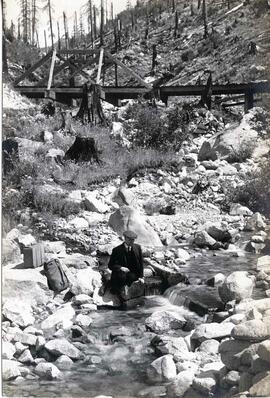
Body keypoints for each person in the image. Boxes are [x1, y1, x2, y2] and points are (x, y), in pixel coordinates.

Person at [108, 230, 144, 296]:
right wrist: (121, 268)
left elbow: (141, 263)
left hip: (132, 274)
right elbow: (110, 265)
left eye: (133, 240)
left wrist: (141, 276)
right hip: (120, 274)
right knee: (120, 278)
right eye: (130, 240)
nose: (132, 242)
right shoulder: (116, 250)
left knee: (132, 277)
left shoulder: (138, 247)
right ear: (124, 238)